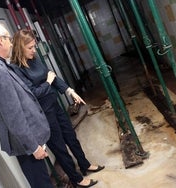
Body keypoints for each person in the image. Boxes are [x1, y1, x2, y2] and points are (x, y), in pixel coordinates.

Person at [10, 29, 105, 187]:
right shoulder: (16, 69)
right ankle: (77, 179)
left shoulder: (34, 58)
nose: (34, 50)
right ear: (20, 47)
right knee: (60, 148)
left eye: (34, 46)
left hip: (54, 105)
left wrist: (69, 90)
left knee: (71, 137)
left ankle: (84, 164)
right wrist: (47, 82)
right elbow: (32, 93)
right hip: (43, 114)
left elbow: (51, 74)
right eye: (30, 48)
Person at [0, 22, 54, 188]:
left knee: (41, 181)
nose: (11, 43)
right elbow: (14, 116)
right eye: (9, 39)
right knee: (42, 184)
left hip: (25, 141)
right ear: (0, 40)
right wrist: (34, 147)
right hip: (26, 144)